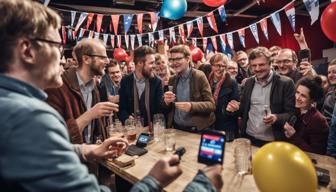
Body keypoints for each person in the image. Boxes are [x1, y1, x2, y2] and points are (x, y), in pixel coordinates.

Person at [0, 1, 224, 191]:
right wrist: (194, 184)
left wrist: (86, 150)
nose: (62, 56)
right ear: (27, 51)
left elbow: (39, 153)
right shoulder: (29, 117)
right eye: (56, 45)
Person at [45, 38, 117, 144]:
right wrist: (91, 114)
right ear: (86, 59)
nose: (107, 61)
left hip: (91, 155)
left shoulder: (95, 86)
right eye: (103, 57)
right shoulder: (57, 87)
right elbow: (53, 136)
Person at [227, 47, 295, 147]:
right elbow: (243, 110)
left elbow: (291, 113)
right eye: (254, 65)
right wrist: (235, 107)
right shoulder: (249, 83)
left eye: (261, 64)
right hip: (248, 138)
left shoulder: (286, 83)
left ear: (270, 64)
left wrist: (276, 117)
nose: (257, 69)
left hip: (273, 141)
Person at [163, 45, 215, 132]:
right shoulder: (172, 79)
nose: (174, 62)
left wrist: (191, 106)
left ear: (187, 59)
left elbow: (211, 105)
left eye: (178, 59)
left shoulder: (199, 76)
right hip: (176, 128)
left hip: (196, 130)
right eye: (172, 59)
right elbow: (168, 108)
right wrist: (166, 101)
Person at [118, 45, 164, 129]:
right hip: (132, 130)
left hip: (152, 130)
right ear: (139, 63)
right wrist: (127, 119)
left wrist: (167, 103)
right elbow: (122, 108)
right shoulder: (125, 81)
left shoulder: (157, 82)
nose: (154, 66)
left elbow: (160, 109)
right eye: (151, 63)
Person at [283, 76, 329, 154]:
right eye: (297, 93)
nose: (297, 98)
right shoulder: (295, 110)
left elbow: (317, 153)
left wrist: (294, 136)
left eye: (303, 96)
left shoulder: (318, 120)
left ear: (312, 99)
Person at [208, 53, 239, 138]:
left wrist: (230, 109)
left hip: (225, 126)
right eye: (217, 65)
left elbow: (235, 105)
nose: (220, 69)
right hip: (208, 123)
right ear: (212, 66)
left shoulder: (232, 83)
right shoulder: (206, 80)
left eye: (223, 66)